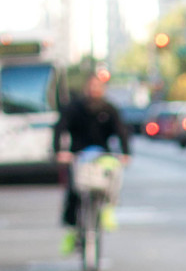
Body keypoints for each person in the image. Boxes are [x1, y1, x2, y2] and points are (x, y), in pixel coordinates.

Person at [53, 73, 129, 241]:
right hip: (78, 155)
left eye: (98, 86)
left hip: (103, 156)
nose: (94, 89)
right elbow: (59, 127)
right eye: (91, 86)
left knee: (113, 179)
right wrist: (59, 151)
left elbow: (122, 131)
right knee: (74, 191)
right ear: (86, 88)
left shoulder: (109, 108)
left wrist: (125, 153)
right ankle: (72, 232)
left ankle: (108, 209)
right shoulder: (74, 108)